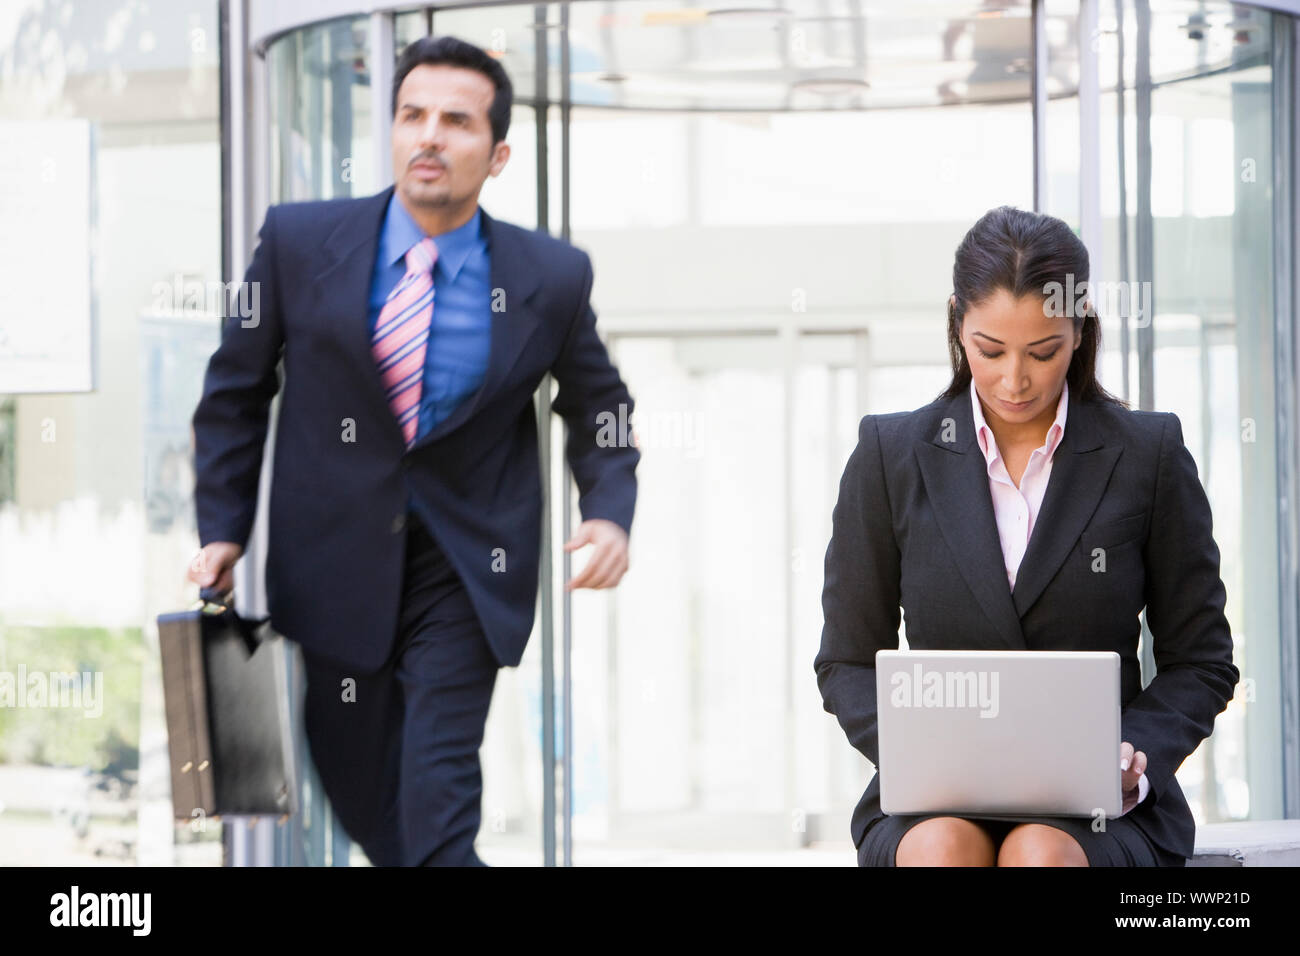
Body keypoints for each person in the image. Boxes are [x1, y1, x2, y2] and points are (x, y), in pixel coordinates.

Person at [185, 35, 639, 866]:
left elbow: (599, 404)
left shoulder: (552, 276)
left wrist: (607, 513)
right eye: (412, 115)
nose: (429, 136)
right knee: (367, 797)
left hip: (467, 571)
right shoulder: (293, 245)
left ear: (497, 154)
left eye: (456, 121)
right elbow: (233, 393)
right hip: (331, 570)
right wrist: (223, 526)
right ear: (390, 131)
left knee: (436, 797)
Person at [814, 205, 1238, 867]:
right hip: (934, 797)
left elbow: (1201, 659)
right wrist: (917, 750)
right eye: (990, 350)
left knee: (1040, 854)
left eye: (1043, 352)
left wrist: (1132, 753)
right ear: (958, 322)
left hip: (1100, 803)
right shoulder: (889, 456)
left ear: (1080, 331)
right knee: (938, 849)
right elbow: (845, 661)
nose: (1016, 379)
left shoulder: (1147, 453)